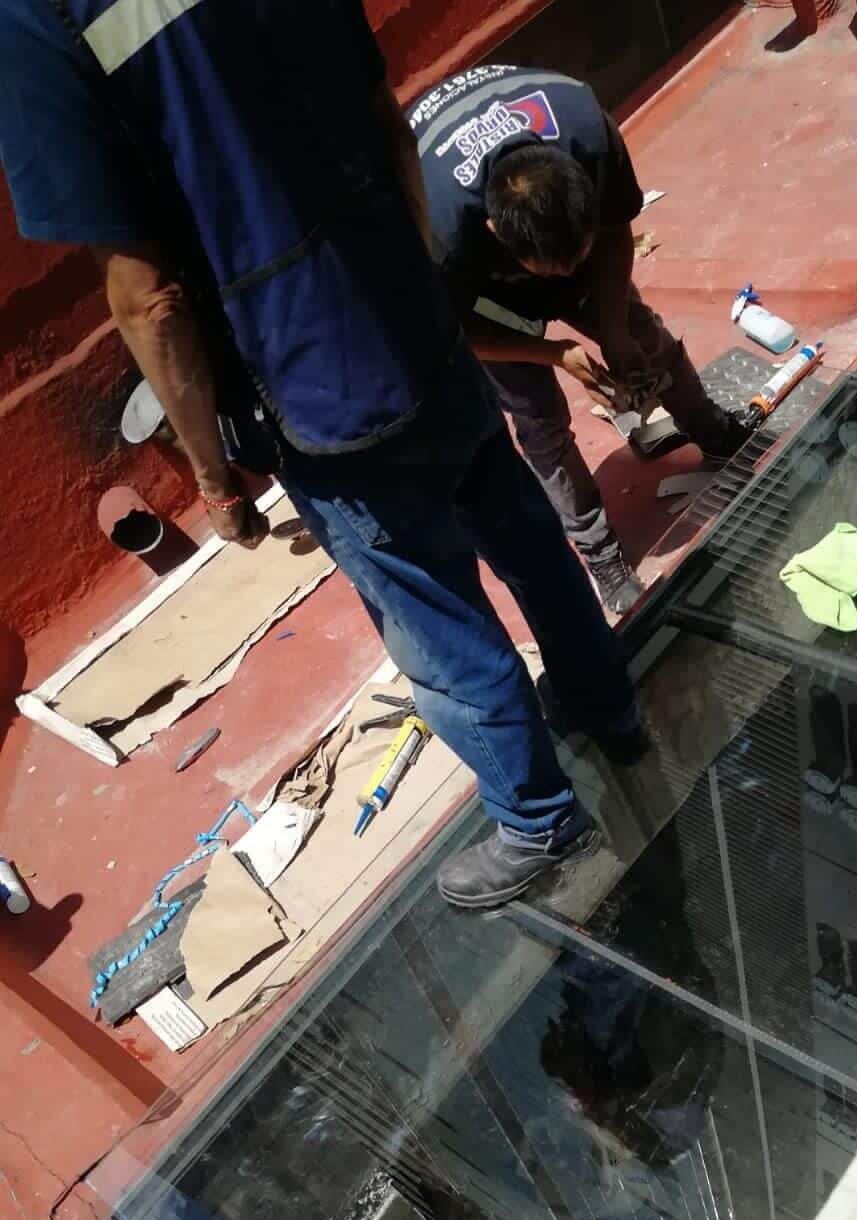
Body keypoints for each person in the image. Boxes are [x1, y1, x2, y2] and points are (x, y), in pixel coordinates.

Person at [0, 0, 644, 910]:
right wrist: (420, 294)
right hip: (418, 324)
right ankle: (609, 708)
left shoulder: (33, 22)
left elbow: (147, 297)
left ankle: (538, 818)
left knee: (433, 619)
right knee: (526, 538)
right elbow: (385, 117)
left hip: (313, 390)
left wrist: (217, 481)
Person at [411, 67, 755, 616]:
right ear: (498, 234)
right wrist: (550, 352)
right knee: (539, 419)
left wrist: (613, 326)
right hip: (484, 303)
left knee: (645, 340)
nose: (568, 276)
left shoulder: (584, 128)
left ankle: (711, 428)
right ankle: (599, 549)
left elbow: (616, 227)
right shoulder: (435, 228)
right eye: (553, 269)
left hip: (543, 242)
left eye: (578, 256)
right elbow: (452, 334)